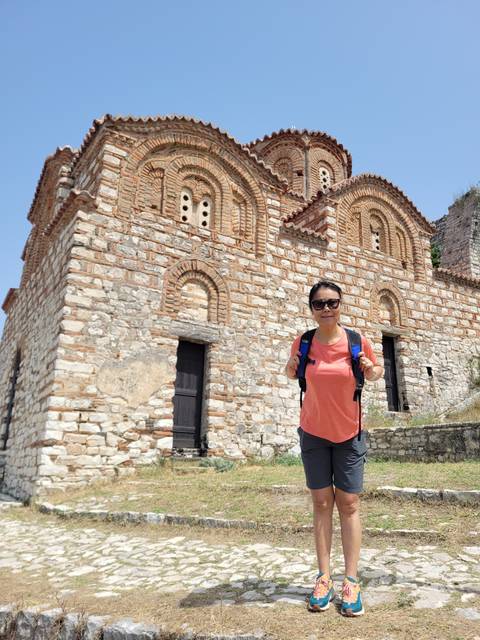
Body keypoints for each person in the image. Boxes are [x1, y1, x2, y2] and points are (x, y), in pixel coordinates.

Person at [285, 281, 383, 617]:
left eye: (332, 303)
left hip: (349, 433)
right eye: (319, 304)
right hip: (313, 432)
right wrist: (289, 367)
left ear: (341, 305)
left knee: (350, 503)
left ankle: (352, 580)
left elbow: (375, 371)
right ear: (311, 308)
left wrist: (372, 369)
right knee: (321, 502)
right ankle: (323, 577)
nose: (326, 309)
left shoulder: (356, 341)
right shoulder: (305, 341)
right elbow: (292, 371)